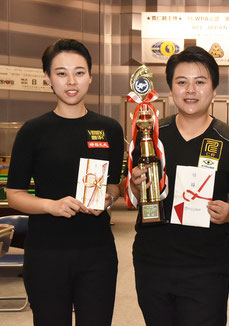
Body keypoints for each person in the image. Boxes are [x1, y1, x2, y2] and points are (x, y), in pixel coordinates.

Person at [126, 46, 229, 326]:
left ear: (214, 89)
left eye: (200, 82)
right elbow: (135, 196)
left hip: (206, 266)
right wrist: (136, 187)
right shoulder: (151, 135)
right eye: (182, 82)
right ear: (171, 89)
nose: (190, 90)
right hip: (152, 261)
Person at [6, 39, 124, 325]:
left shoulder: (109, 129)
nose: (71, 81)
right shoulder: (32, 132)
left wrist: (108, 198)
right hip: (47, 253)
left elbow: (113, 185)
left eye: (79, 72)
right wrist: (51, 206)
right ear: (47, 77)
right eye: (61, 73)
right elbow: (14, 195)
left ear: (90, 76)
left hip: (97, 253)